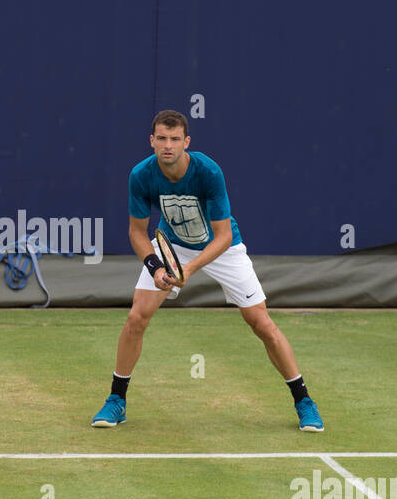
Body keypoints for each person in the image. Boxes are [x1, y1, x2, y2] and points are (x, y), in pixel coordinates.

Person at [91, 110, 325, 433]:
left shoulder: (208, 172)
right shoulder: (140, 175)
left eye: (175, 139)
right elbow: (136, 232)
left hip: (220, 248)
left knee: (261, 323)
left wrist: (189, 268)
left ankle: (304, 401)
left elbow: (224, 235)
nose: (168, 146)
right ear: (152, 141)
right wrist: (156, 267)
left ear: (186, 142)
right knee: (136, 317)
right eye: (161, 139)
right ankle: (116, 400)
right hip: (171, 247)